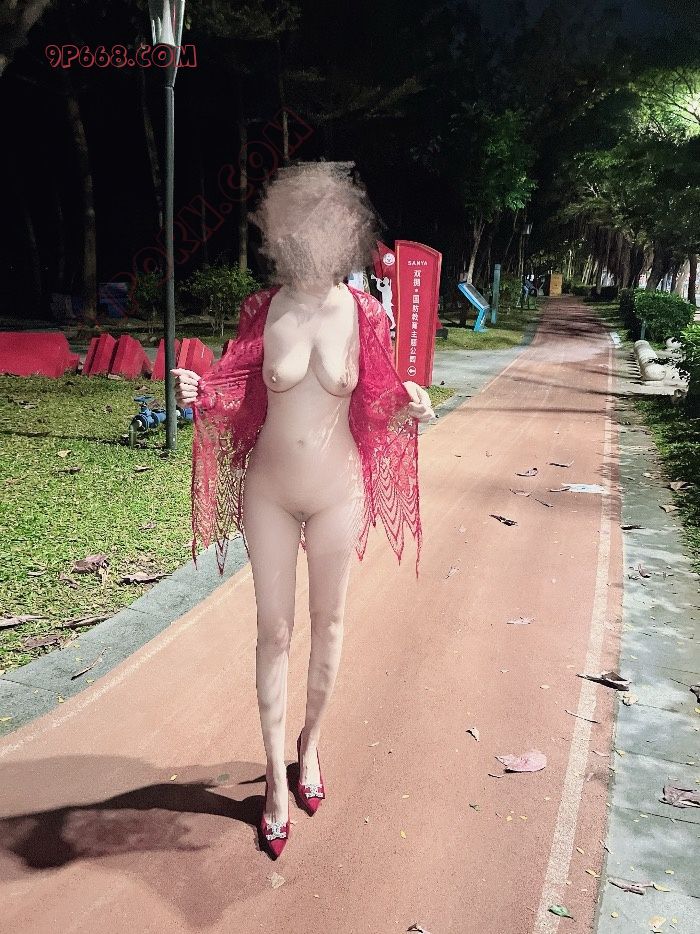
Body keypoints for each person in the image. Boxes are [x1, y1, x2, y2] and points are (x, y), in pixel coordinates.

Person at [172, 162, 434, 859]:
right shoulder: (263, 309)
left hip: (338, 489)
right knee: (274, 631)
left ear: (345, 232)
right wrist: (202, 391)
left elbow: (378, 399)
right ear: (281, 233)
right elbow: (238, 389)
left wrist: (410, 404)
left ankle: (309, 747)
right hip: (271, 491)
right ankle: (274, 781)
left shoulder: (366, 312)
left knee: (330, 623)